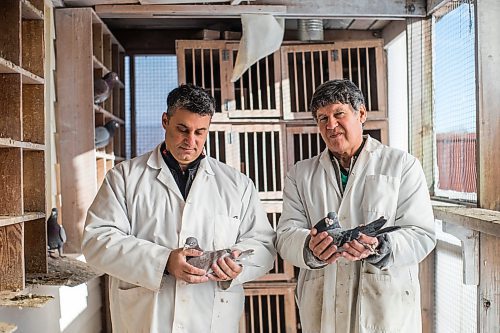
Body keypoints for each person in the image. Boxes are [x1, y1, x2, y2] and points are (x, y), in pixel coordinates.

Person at [82, 84, 276, 333]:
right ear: (165, 120)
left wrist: (238, 266)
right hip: (147, 319)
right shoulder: (124, 178)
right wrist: (164, 262)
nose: (190, 141)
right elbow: (97, 240)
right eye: (182, 129)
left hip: (211, 317)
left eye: (200, 132)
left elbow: (263, 245)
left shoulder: (237, 185)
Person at [276, 79, 436, 333]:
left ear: (361, 114)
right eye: (322, 118)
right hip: (322, 301)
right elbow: (285, 235)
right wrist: (309, 246)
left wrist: (382, 246)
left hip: (384, 305)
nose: (331, 125)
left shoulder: (402, 165)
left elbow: (422, 234)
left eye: (339, 114)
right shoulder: (300, 174)